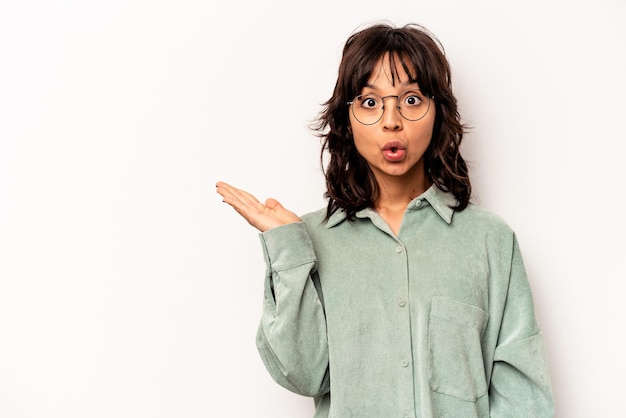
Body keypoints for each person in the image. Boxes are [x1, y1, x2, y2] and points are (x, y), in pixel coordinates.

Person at [216, 22, 554, 418]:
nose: (391, 121)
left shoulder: (490, 241)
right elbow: (304, 375)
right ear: (347, 118)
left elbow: (523, 399)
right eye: (371, 103)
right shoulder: (309, 240)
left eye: (411, 100)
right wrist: (288, 250)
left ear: (437, 112)